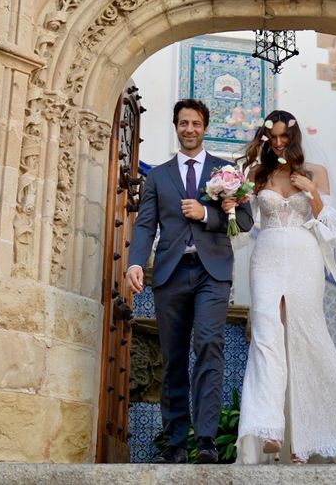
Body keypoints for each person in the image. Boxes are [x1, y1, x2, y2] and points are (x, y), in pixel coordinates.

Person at [233, 110, 336, 464]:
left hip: (305, 257)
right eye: (272, 137)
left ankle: (305, 440)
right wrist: (231, 200)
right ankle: (268, 428)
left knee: (307, 339)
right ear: (265, 138)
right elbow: (244, 226)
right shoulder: (258, 176)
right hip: (267, 256)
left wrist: (313, 195)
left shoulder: (315, 173)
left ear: (294, 137)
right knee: (265, 336)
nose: (278, 143)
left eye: (283, 137)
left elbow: (332, 229)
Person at [125, 98, 253, 464]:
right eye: (183, 123)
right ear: (176, 126)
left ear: (205, 127)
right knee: (174, 357)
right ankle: (176, 444)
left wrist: (208, 214)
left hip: (212, 273)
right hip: (170, 273)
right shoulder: (159, 176)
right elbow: (147, 224)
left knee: (210, 346)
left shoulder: (225, 171)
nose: (190, 129)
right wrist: (135, 263)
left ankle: (208, 441)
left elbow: (244, 223)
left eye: (196, 123)